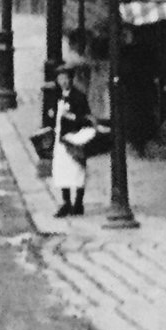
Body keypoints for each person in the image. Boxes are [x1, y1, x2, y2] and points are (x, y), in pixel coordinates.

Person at [50, 60, 96, 217]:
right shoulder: (56, 96)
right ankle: (66, 202)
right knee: (62, 170)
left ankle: (78, 203)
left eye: (66, 78)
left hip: (75, 138)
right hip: (61, 138)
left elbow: (86, 118)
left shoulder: (79, 97)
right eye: (60, 78)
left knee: (77, 170)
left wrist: (72, 116)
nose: (63, 82)